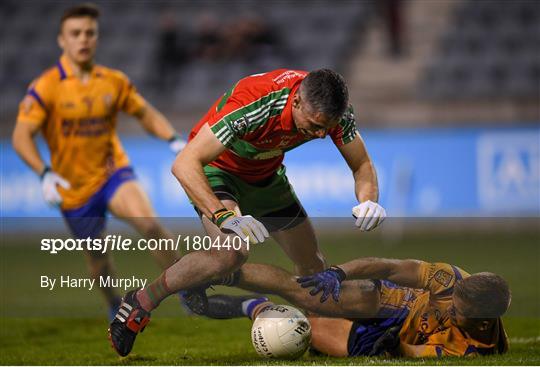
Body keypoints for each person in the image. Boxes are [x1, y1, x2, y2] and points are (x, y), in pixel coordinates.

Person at [109, 68, 387, 356]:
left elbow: (362, 165)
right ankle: (140, 301)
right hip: (216, 170)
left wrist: (369, 200)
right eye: (314, 125)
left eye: (324, 128)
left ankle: (318, 333)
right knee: (231, 252)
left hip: (265, 177)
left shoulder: (335, 114)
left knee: (313, 267)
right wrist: (226, 217)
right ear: (296, 102)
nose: (319, 135)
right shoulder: (255, 104)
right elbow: (185, 163)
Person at [12, 3, 186, 320]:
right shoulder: (45, 87)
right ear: (61, 40)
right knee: (98, 257)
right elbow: (21, 136)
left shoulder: (113, 81)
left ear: (97, 38)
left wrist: (172, 138)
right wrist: (44, 173)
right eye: (75, 33)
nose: (83, 39)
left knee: (151, 226)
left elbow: (144, 112)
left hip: (112, 174)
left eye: (89, 33)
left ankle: (188, 292)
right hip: (72, 187)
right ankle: (113, 303)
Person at [205, 258, 510, 358]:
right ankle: (217, 272)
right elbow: (388, 267)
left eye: (456, 313)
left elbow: (411, 352)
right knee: (304, 291)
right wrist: (338, 273)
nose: (448, 311)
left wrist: (393, 346)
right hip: (393, 302)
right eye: (451, 304)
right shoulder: (451, 281)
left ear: (481, 323)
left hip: (390, 338)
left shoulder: (469, 351)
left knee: (302, 327)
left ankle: (256, 306)